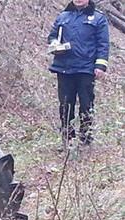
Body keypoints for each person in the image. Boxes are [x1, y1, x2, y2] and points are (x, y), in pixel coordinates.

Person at [48, 0, 110, 147]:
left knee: (86, 105)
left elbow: (103, 44)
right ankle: (67, 139)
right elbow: (52, 36)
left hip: (86, 70)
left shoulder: (98, 18)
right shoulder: (63, 16)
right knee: (65, 105)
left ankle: (86, 139)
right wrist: (54, 44)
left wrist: (100, 66)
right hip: (64, 68)